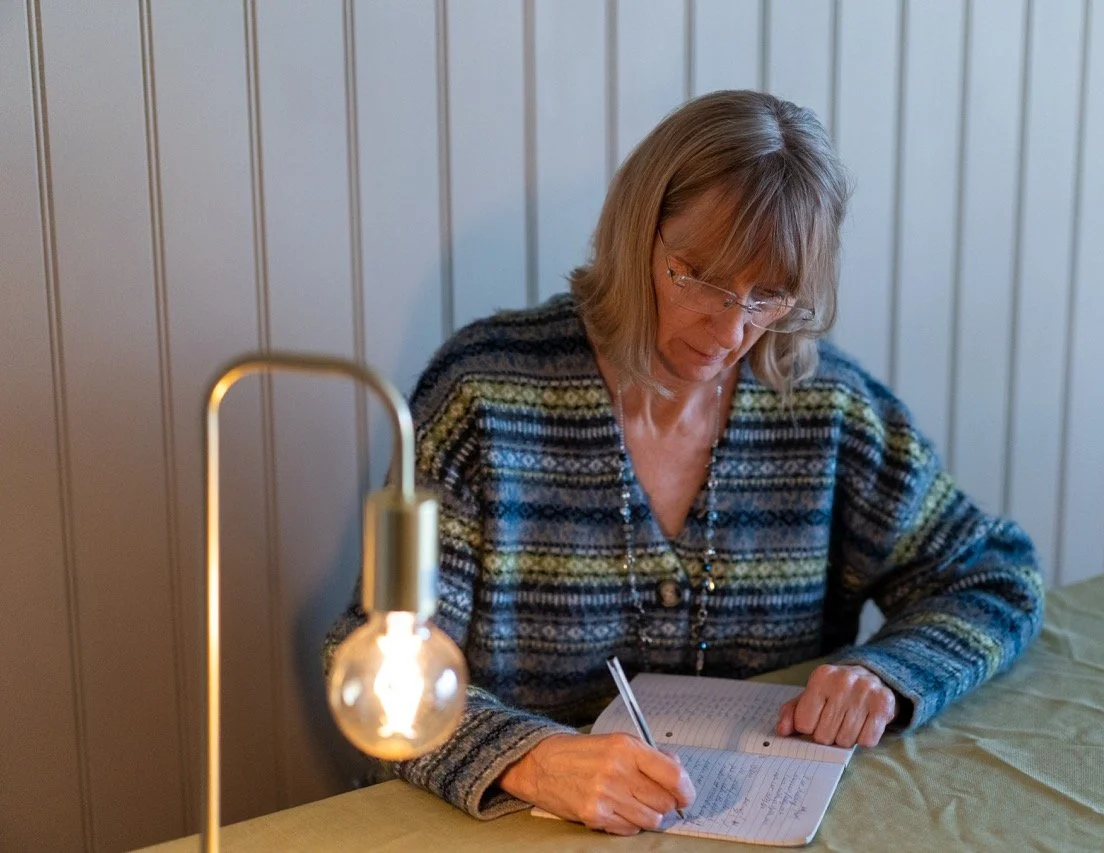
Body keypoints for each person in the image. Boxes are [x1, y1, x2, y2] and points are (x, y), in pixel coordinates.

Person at [324, 89, 1044, 836]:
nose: (730, 330)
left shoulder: (824, 410)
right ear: (638, 235)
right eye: (697, 276)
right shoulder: (487, 395)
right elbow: (375, 668)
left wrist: (886, 674)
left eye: (769, 296)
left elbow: (995, 574)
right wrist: (532, 758)